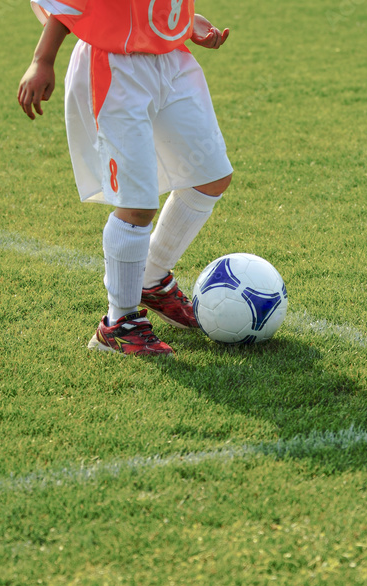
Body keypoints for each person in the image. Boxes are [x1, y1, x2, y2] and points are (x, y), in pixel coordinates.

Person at [17, 1, 233, 356]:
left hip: (172, 59)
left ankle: (152, 278)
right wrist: (42, 59)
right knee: (137, 205)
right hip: (115, 65)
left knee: (211, 176)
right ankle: (118, 324)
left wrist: (181, 21)